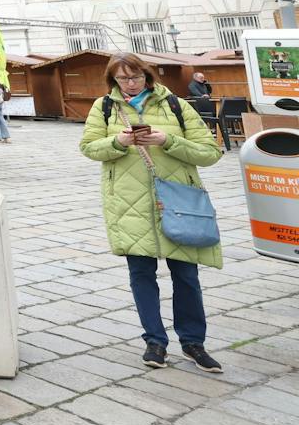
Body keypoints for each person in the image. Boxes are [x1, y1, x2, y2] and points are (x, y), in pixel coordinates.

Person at [79, 52, 224, 373]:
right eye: (123, 79)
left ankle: (193, 342)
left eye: (135, 77)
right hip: (129, 204)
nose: (130, 84)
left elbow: (211, 152)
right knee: (141, 275)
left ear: (147, 76)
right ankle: (155, 341)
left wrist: (167, 140)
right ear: (113, 81)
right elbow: (89, 148)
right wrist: (117, 141)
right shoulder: (104, 108)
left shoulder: (176, 105)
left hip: (177, 203)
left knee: (186, 275)